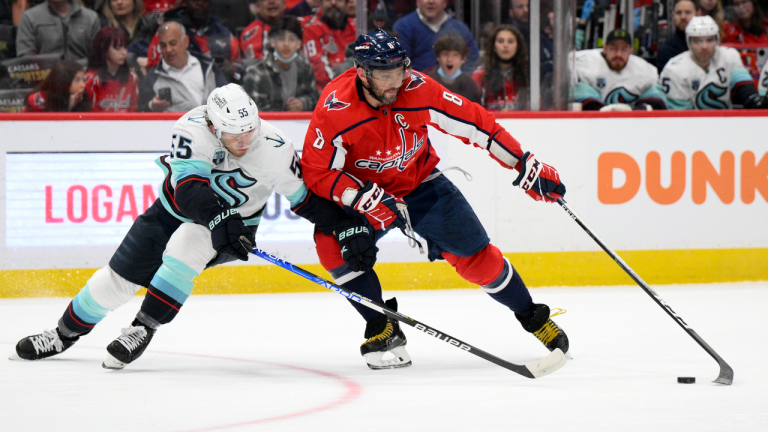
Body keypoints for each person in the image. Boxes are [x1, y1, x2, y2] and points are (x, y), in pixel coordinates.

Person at [12, 83, 376, 369]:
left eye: (250, 130)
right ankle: (61, 335)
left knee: (187, 244)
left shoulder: (274, 147)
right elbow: (188, 189)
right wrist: (220, 217)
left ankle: (143, 327)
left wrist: (345, 226)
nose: (245, 141)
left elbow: (307, 200)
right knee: (113, 283)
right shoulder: (191, 127)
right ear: (212, 125)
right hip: (171, 212)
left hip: (232, 226)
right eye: (235, 134)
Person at [300, 29, 569, 370]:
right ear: (362, 72)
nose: (394, 83)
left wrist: (522, 161)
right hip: (367, 197)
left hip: (420, 184)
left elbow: (475, 122)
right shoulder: (335, 107)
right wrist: (357, 197)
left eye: (399, 71)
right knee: (332, 246)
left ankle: (532, 317)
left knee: (480, 260)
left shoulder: (417, 88)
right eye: (384, 75)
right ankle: (382, 326)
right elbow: (316, 171)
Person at [660, 15, 767, 109]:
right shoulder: (674, 69)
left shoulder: (729, 57)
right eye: (698, 41)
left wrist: (757, 102)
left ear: (717, 40)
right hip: (690, 128)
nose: (704, 47)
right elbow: (679, 117)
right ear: (689, 42)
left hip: (725, 125)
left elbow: (746, 92)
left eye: (710, 40)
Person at [139, 22, 228, 112]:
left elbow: (227, 98)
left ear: (186, 41)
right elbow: (141, 112)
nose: (168, 50)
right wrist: (151, 106)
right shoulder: (152, 78)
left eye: (173, 43)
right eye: (163, 45)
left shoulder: (209, 67)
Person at [571, 28, 666, 111]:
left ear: (630, 51)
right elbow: (577, 98)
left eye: (624, 49)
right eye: (613, 48)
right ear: (604, 48)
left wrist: (641, 110)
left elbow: (658, 101)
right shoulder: (583, 63)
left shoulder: (645, 70)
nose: (618, 54)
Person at [243, 16, 319, 111]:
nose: (286, 44)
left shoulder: (304, 66)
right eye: (281, 39)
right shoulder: (256, 73)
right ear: (272, 42)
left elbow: (315, 97)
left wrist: (303, 103)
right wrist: (286, 110)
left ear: (299, 44)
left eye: (291, 39)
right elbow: (257, 112)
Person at [145, 0, 241, 75]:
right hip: (179, 91)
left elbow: (239, 64)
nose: (200, 4)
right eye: (195, 1)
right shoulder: (169, 31)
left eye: (205, 1)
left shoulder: (222, 32)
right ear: (185, 2)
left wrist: (231, 69)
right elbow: (154, 69)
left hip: (219, 91)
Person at [393, 0, 479, 74]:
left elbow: (473, 57)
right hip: (418, 87)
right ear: (417, 2)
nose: (431, 1)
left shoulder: (460, 29)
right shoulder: (403, 27)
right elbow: (400, 65)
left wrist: (461, 80)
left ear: (445, 3)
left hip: (452, 88)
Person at [15, 0, 101, 61]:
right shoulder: (30, 18)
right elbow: (25, 58)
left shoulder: (90, 18)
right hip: (45, 81)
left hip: (83, 79)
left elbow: (98, 57)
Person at [472, 25, 529, 111]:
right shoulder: (481, 75)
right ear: (494, 46)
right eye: (501, 41)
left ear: (518, 46)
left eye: (510, 42)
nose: (505, 45)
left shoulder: (527, 74)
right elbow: (471, 109)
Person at [302, 0, 356, 89]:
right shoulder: (311, 29)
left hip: (353, 88)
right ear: (321, 3)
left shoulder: (357, 26)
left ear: (347, 3)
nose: (333, 2)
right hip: (327, 93)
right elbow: (318, 71)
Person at [85, 27, 140, 112]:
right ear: (104, 49)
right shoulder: (92, 80)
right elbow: (91, 116)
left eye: (125, 47)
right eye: (118, 48)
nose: (124, 52)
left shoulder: (132, 78)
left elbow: (134, 111)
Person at [424, 32, 480, 103]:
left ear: (463, 59)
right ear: (438, 57)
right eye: (445, 54)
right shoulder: (427, 82)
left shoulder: (470, 85)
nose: (449, 59)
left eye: (455, 55)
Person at [25, 59, 90, 112]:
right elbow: (47, 126)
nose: (83, 85)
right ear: (63, 82)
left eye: (83, 80)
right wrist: (69, 107)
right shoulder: (38, 100)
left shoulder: (82, 97)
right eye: (77, 80)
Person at [657, 0, 699, 72]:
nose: (683, 17)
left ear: (698, 14)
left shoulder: (709, 43)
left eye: (688, 12)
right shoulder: (666, 50)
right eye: (679, 13)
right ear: (673, 16)